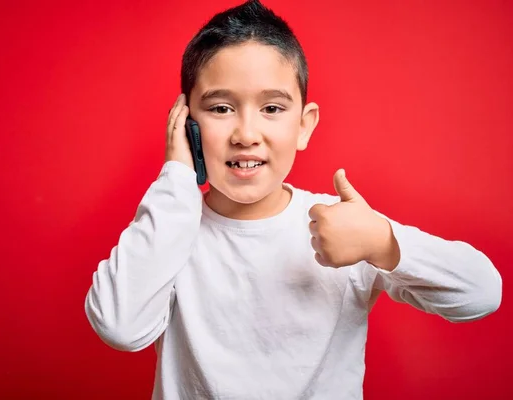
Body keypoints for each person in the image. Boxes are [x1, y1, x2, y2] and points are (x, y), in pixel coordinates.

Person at [84, 1, 502, 398]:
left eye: (271, 108)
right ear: (185, 123)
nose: (246, 134)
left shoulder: (344, 227)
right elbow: (120, 326)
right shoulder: (170, 230)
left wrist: (383, 242)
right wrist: (176, 178)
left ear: (304, 126)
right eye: (221, 108)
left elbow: (482, 293)